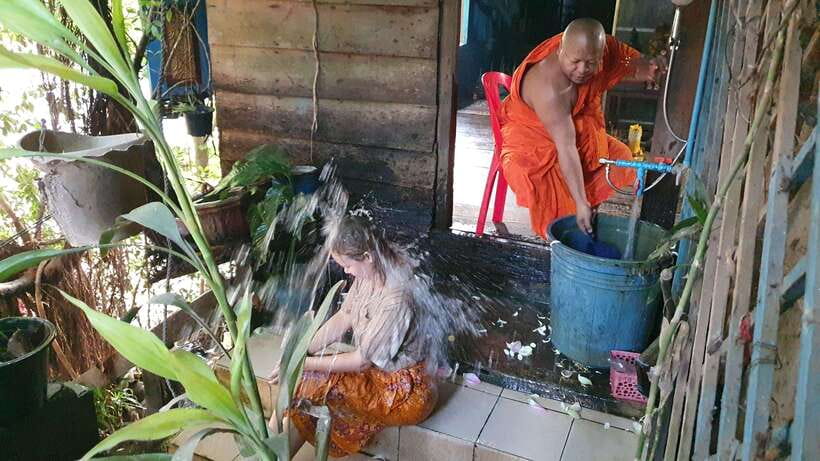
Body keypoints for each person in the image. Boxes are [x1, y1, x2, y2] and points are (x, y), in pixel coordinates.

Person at [267, 215, 437, 458]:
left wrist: (300, 364)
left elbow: (361, 361)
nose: (346, 271)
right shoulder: (372, 271)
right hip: (378, 372)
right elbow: (344, 316)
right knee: (305, 379)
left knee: (309, 381)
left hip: (404, 391)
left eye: (347, 265)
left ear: (367, 256)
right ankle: (268, 453)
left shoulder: (397, 297)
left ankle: (269, 455)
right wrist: (301, 351)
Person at [500, 18, 660, 238]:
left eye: (591, 63)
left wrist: (650, 68)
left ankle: (587, 212)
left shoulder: (603, 50)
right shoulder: (551, 88)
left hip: (571, 129)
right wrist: (580, 201)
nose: (583, 70)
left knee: (620, 156)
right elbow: (566, 147)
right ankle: (565, 232)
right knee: (562, 201)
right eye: (575, 61)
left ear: (601, 55)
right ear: (561, 50)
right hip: (532, 144)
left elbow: (625, 61)